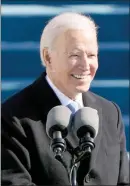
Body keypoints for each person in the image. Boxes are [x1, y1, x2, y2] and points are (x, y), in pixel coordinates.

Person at [2, 12, 129, 186]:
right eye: (74, 55)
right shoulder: (13, 118)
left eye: (92, 55)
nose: (85, 66)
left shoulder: (110, 113)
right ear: (48, 57)